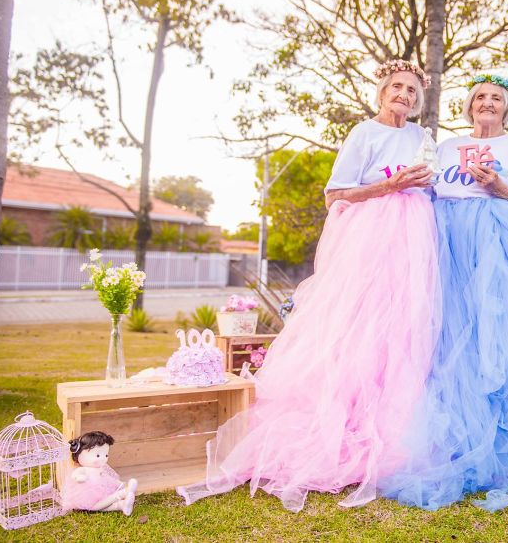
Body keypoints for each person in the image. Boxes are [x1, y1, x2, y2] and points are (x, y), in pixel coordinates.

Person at [178, 60, 441, 512]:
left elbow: (432, 186)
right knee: (354, 328)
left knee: (401, 332)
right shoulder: (363, 133)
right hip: (369, 241)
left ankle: (395, 429)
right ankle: (342, 424)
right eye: (397, 86)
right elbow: (335, 194)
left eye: (412, 91)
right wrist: (389, 185)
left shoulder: (422, 139)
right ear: (382, 92)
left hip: (415, 244)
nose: (404, 95)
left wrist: (422, 187)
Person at [379, 74, 508, 511]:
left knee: (499, 346)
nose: (487, 103)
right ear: (469, 107)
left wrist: (500, 188)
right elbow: (425, 194)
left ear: (507, 108)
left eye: (496, 98)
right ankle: (455, 442)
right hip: (450, 255)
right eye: (480, 97)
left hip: (501, 260)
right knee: (449, 346)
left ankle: (503, 446)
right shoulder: (446, 146)